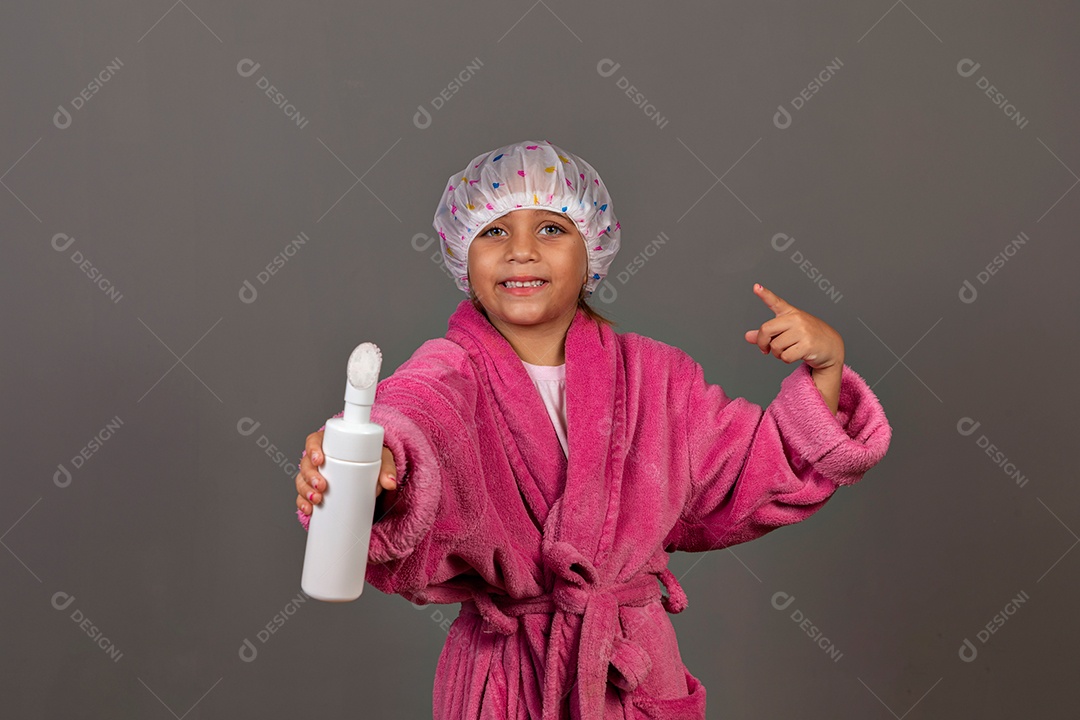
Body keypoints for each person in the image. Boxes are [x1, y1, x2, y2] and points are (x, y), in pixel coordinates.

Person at [293, 139, 892, 719]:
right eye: (494, 230)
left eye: (551, 229)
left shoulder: (654, 377)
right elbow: (409, 418)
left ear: (593, 255)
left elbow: (755, 467)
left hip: (628, 675)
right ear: (461, 255)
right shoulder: (447, 373)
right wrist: (373, 468)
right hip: (509, 681)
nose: (520, 250)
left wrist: (826, 368)